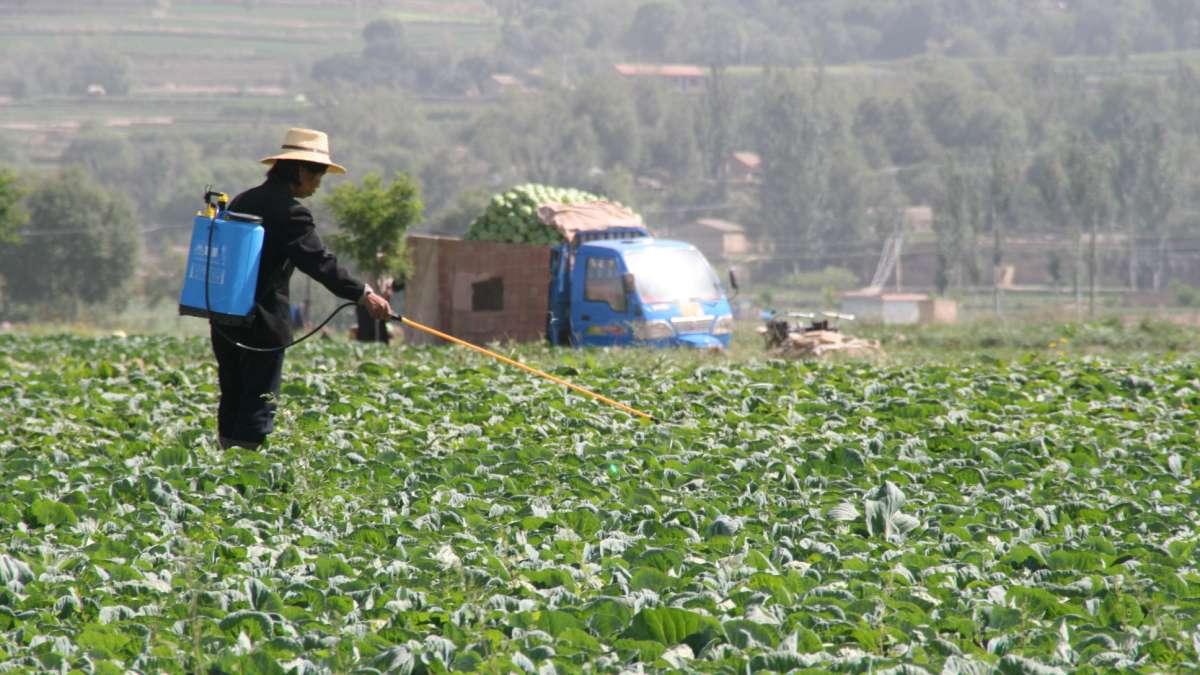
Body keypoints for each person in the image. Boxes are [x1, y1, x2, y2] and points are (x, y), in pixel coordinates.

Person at [211, 127, 392, 449]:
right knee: (258, 401)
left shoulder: (243, 200)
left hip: (224, 318)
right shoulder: (290, 212)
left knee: (233, 394)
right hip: (261, 324)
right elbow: (320, 262)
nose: (318, 184)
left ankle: (225, 473)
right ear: (298, 170)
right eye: (317, 175)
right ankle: (242, 477)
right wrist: (364, 294)